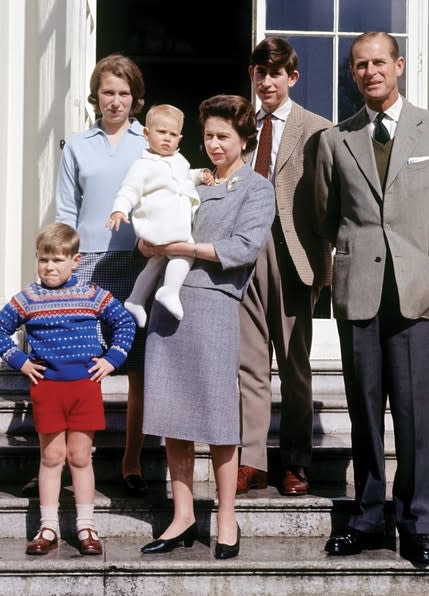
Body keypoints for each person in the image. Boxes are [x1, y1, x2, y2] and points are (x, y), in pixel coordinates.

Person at [316, 32, 429, 565]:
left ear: (399, 65)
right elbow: (326, 214)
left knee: (413, 419)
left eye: (378, 62)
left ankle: (414, 524)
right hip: (358, 295)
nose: (369, 72)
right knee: (364, 416)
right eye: (360, 65)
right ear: (354, 74)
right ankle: (366, 519)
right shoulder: (337, 140)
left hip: (418, 299)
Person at [138, 95, 275, 560]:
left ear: (243, 140)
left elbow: (243, 247)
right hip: (167, 306)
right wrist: (149, 238)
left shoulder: (257, 189)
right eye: (209, 136)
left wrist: (188, 246)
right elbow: (155, 216)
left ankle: (227, 518)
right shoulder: (188, 177)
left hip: (214, 305)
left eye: (223, 137)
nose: (214, 145)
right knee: (172, 415)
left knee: (218, 418)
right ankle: (182, 515)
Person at [0, 223, 136, 555]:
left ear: (76, 260)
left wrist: (113, 358)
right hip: (47, 388)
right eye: (43, 260)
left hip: (84, 387)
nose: (49, 267)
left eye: (57, 260)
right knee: (52, 456)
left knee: (80, 457)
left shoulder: (92, 294)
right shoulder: (28, 298)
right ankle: (48, 527)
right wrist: (20, 361)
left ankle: (86, 527)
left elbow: (124, 322)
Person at [237, 37, 333, 497]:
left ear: (291, 78)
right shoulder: (240, 128)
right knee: (249, 364)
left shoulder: (317, 128)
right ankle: (252, 460)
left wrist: (327, 255)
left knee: (295, 364)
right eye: (260, 72)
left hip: (293, 256)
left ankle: (295, 462)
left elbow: (331, 199)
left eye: (275, 73)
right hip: (243, 256)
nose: (267, 81)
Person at [55, 53, 149, 497]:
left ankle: (132, 460)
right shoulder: (76, 146)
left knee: (136, 366)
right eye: (108, 92)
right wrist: (66, 269)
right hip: (88, 262)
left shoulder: (150, 143)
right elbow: (65, 212)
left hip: (139, 261)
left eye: (123, 93)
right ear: (96, 97)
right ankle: (76, 457)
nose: (115, 101)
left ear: (136, 99)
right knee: (79, 366)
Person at [107, 104, 213, 326]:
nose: (167, 138)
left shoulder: (179, 160)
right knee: (185, 254)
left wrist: (200, 175)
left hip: (169, 224)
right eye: (161, 132)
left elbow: (184, 177)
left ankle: (136, 299)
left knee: (156, 262)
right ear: (146, 134)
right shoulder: (142, 165)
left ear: (180, 139)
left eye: (172, 134)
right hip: (160, 224)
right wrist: (119, 209)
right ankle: (170, 290)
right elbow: (129, 190)